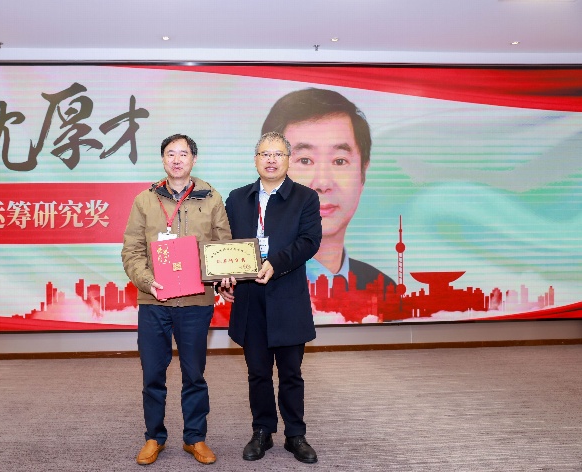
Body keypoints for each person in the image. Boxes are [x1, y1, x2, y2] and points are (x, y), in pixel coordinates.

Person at [121, 133, 231, 465]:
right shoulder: (144, 200)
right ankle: (154, 437)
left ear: (194, 159)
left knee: (194, 374)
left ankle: (195, 438)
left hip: (196, 302)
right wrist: (148, 281)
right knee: (152, 374)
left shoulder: (211, 198)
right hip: (154, 301)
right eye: (171, 153)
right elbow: (132, 251)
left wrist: (223, 275)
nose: (177, 159)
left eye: (183, 153)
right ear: (163, 159)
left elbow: (222, 247)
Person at [219, 132, 322, 464]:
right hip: (250, 299)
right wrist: (224, 278)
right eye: (265, 154)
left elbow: (309, 240)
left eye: (278, 154)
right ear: (255, 159)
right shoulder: (237, 198)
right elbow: (224, 245)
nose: (271, 160)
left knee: (291, 373)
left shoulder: (305, 197)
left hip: (287, 296)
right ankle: (262, 431)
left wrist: (275, 263)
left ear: (288, 160)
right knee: (258, 373)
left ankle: (295, 435)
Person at [262, 88, 395, 292]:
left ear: (363, 173)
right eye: (304, 160)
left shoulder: (383, 289)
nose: (323, 183)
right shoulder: (245, 283)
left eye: (340, 161)